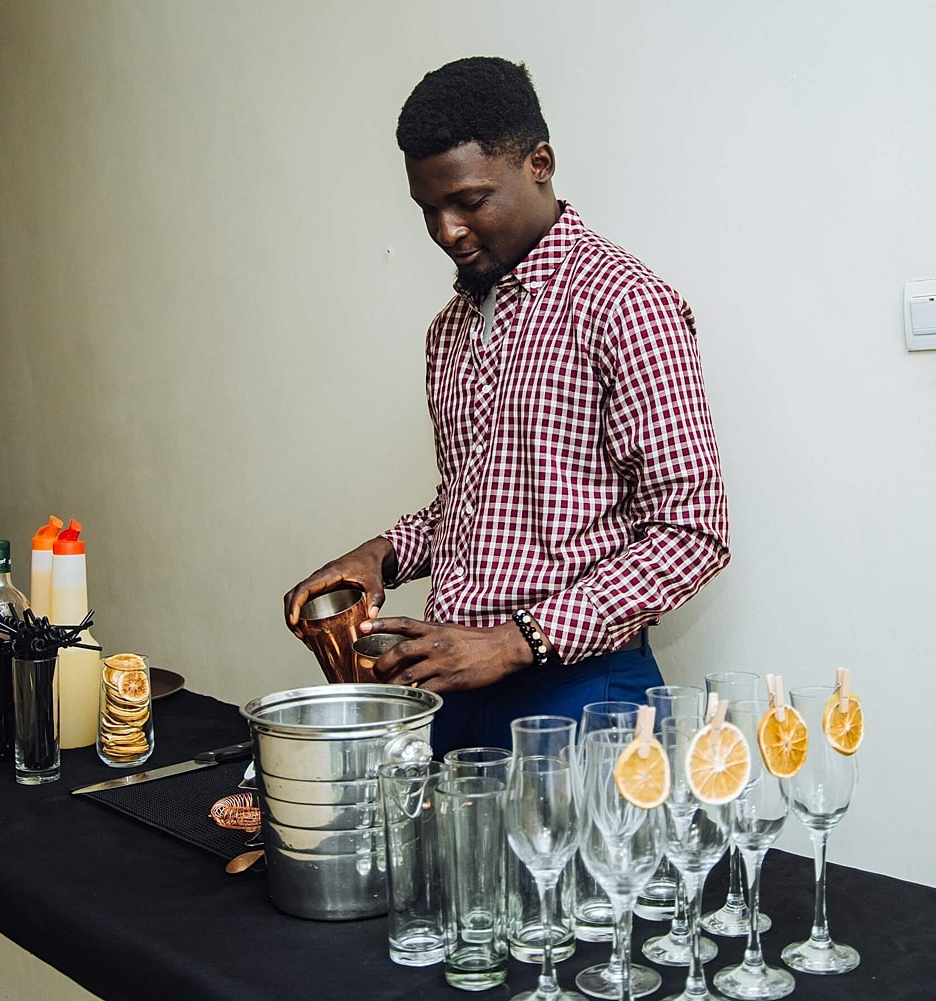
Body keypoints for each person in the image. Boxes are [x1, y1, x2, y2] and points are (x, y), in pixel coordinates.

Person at [283, 56, 730, 755]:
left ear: (540, 164)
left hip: (583, 698)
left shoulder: (624, 303)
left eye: (469, 200)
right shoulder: (449, 330)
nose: (447, 230)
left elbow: (690, 530)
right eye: (429, 208)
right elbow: (480, 501)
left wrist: (518, 641)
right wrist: (381, 554)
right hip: (453, 695)